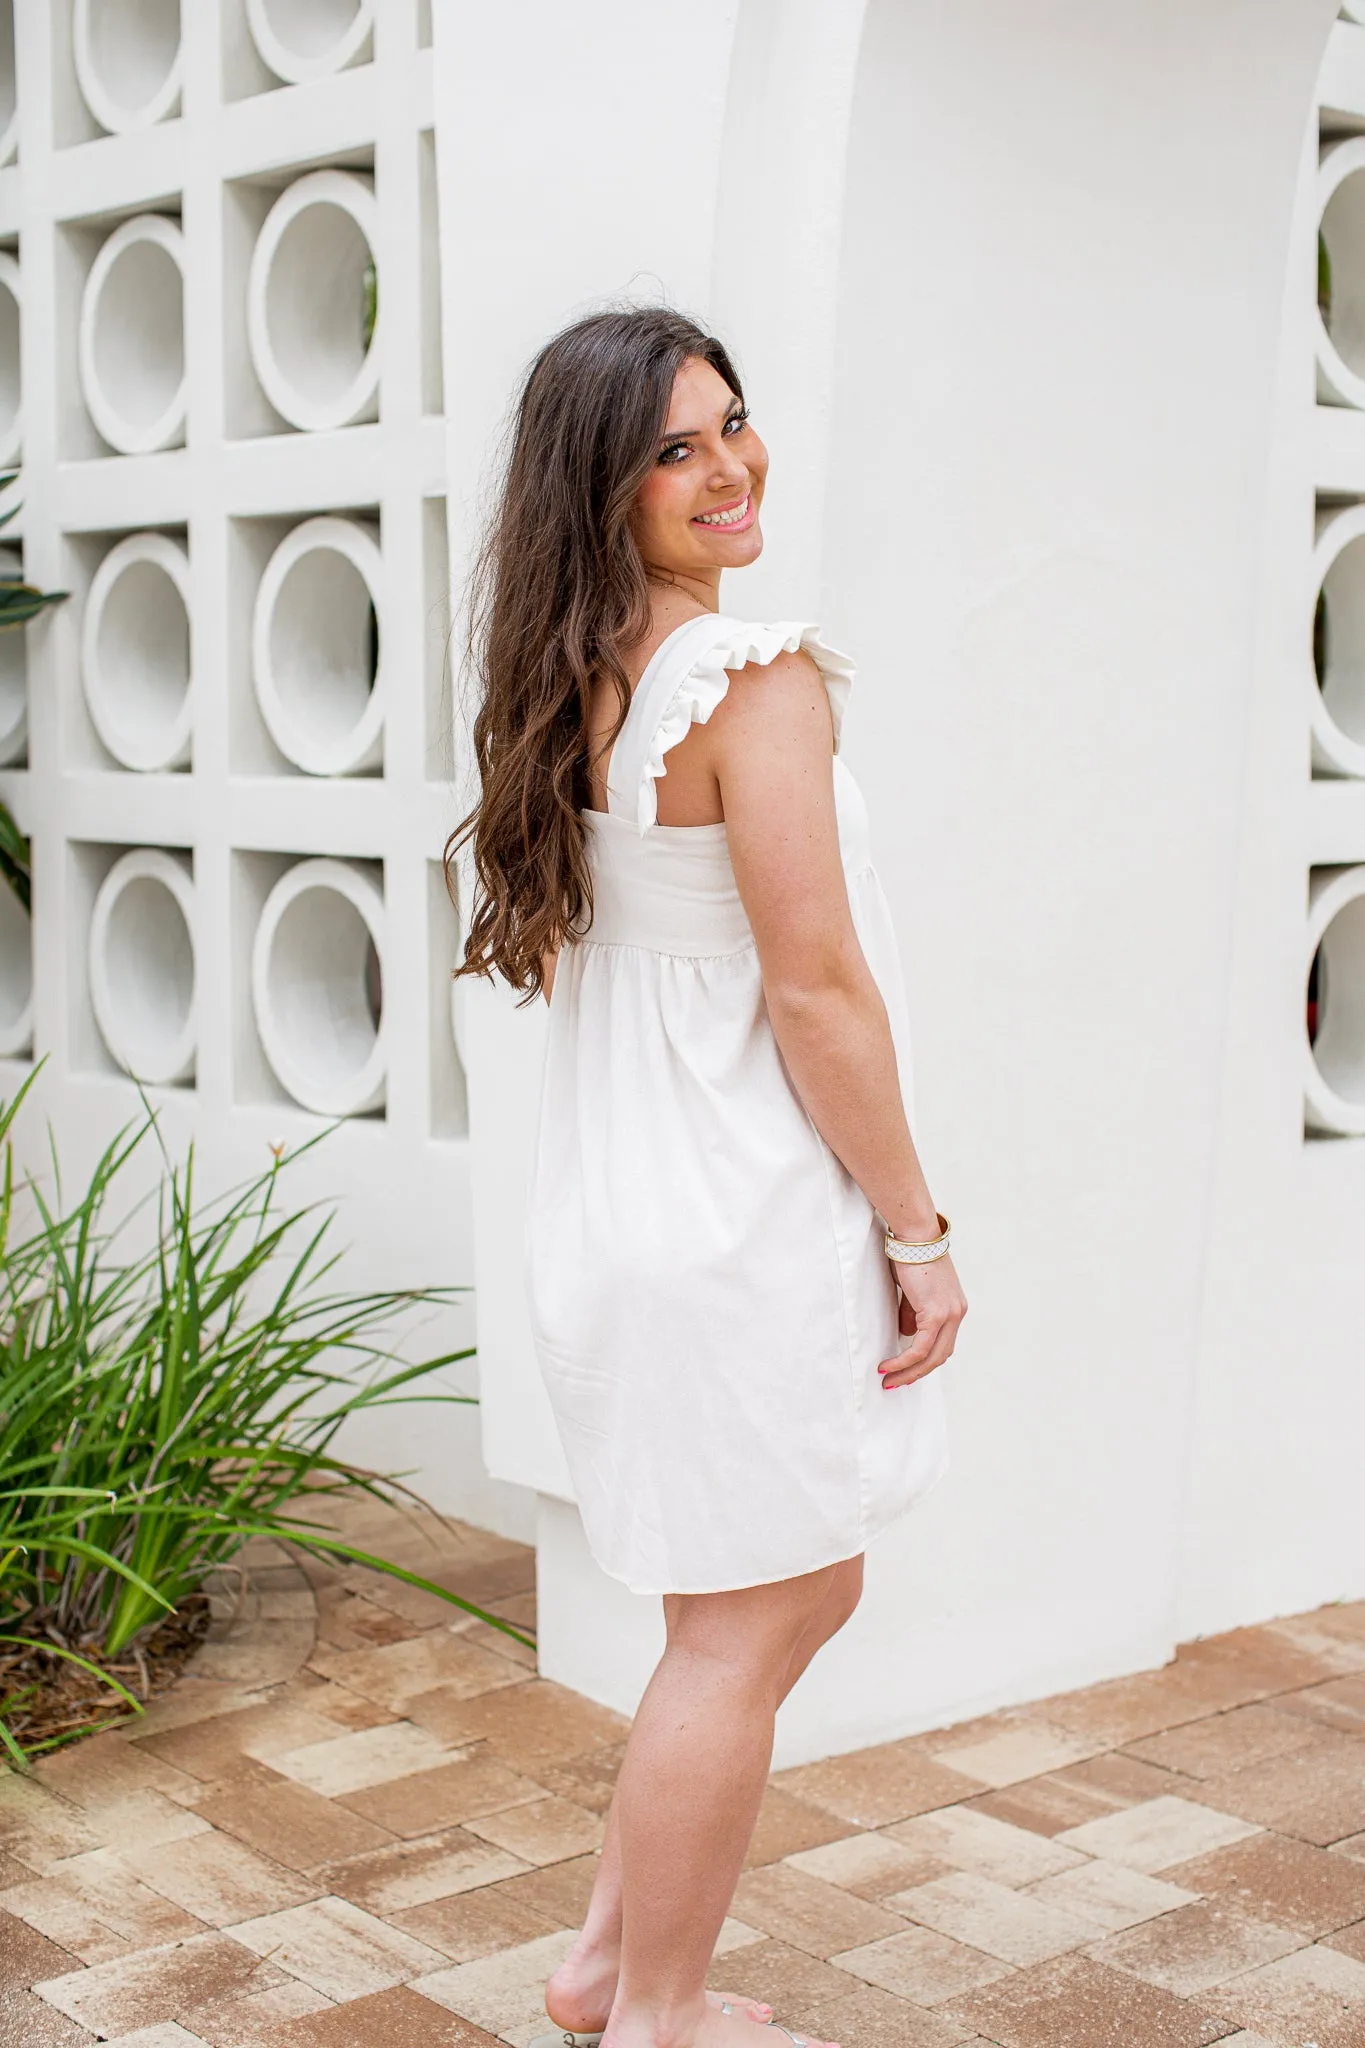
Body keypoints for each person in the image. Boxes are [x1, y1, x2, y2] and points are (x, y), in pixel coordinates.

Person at [451, 308, 965, 2048]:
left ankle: (608, 1961)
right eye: (675, 448)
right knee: (740, 1631)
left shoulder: (574, 680)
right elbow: (817, 990)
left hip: (626, 1208)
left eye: (732, 424)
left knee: (777, 1593)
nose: (730, 466)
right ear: (600, 492)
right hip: (729, 1214)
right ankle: (658, 2018)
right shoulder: (753, 681)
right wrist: (920, 1231)